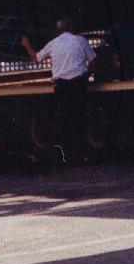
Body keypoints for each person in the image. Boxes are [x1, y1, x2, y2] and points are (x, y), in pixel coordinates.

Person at [25, 18, 96, 163]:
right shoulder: (81, 41)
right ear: (72, 27)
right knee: (79, 117)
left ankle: (51, 154)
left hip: (62, 86)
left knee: (61, 118)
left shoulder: (53, 44)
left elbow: (36, 58)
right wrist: (88, 73)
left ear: (58, 30)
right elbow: (94, 61)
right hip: (78, 84)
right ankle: (83, 153)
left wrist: (26, 44)